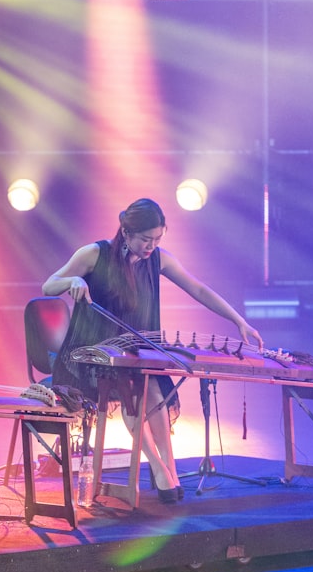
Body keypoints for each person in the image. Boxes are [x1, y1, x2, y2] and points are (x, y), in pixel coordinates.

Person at [42, 198, 263, 504]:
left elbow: (198, 289)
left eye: (157, 239)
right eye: (146, 239)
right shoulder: (94, 254)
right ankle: (160, 471)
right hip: (92, 354)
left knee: (154, 393)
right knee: (136, 391)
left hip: (136, 351)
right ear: (126, 231)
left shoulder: (158, 260)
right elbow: (49, 286)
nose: (151, 246)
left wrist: (238, 321)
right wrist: (73, 280)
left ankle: (168, 469)